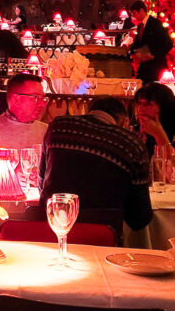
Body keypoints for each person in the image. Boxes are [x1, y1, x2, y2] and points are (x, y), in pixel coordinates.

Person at [39, 97, 152, 232]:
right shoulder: (132, 145)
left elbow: (41, 181)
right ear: (124, 121)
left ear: (89, 111)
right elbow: (139, 219)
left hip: (51, 227)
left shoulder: (58, 126)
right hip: (103, 234)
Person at [134, 82, 175, 162]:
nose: (140, 109)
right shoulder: (134, 134)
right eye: (139, 104)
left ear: (164, 108)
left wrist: (159, 135)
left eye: (147, 104)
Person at [0, 72, 48, 148]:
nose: (42, 104)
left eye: (43, 98)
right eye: (35, 97)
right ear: (16, 99)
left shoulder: (46, 131)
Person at [126, 0, 173, 83]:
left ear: (141, 10)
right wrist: (131, 50)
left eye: (134, 13)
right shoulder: (140, 26)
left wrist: (154, 55)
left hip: (156, 65)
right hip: (145, 66)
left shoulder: (155, 23)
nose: (133, 16)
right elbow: (138, 43)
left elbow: (168, 44)